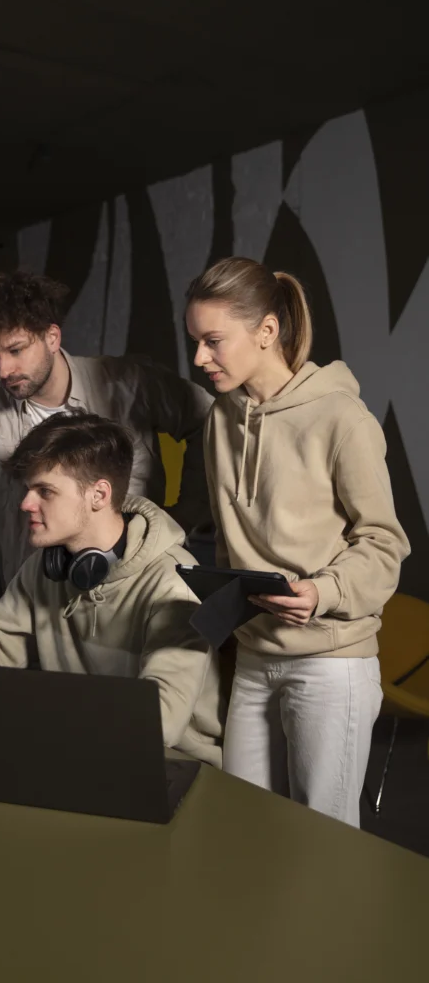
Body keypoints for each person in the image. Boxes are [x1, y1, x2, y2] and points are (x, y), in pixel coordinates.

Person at [185, 256, 410, 826]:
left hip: (331, 662)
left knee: (324, 841)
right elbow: (227, 544)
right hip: (255, 656)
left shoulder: (342, 418)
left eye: (213, 341)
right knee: (241, 826)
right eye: (195, 341)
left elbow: (385, 544)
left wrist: (322, 591)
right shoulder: (220, 420)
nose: (198, 358)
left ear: (266, 332)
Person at [0, 413, 223, 765]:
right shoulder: (49, 568)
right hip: (81, 749)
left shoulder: (173, 584)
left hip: (171, 765)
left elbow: (158, 721)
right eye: (28, 489)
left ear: (99, 494)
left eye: (45, 491)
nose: (25, 504)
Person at [0, 269, 214, 632]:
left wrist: (186, 515)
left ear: (51, 336)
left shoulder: (128, 384)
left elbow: (209, 420)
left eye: (16, 350)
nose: (4, 370)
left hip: (127, 603)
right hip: (29, 608)